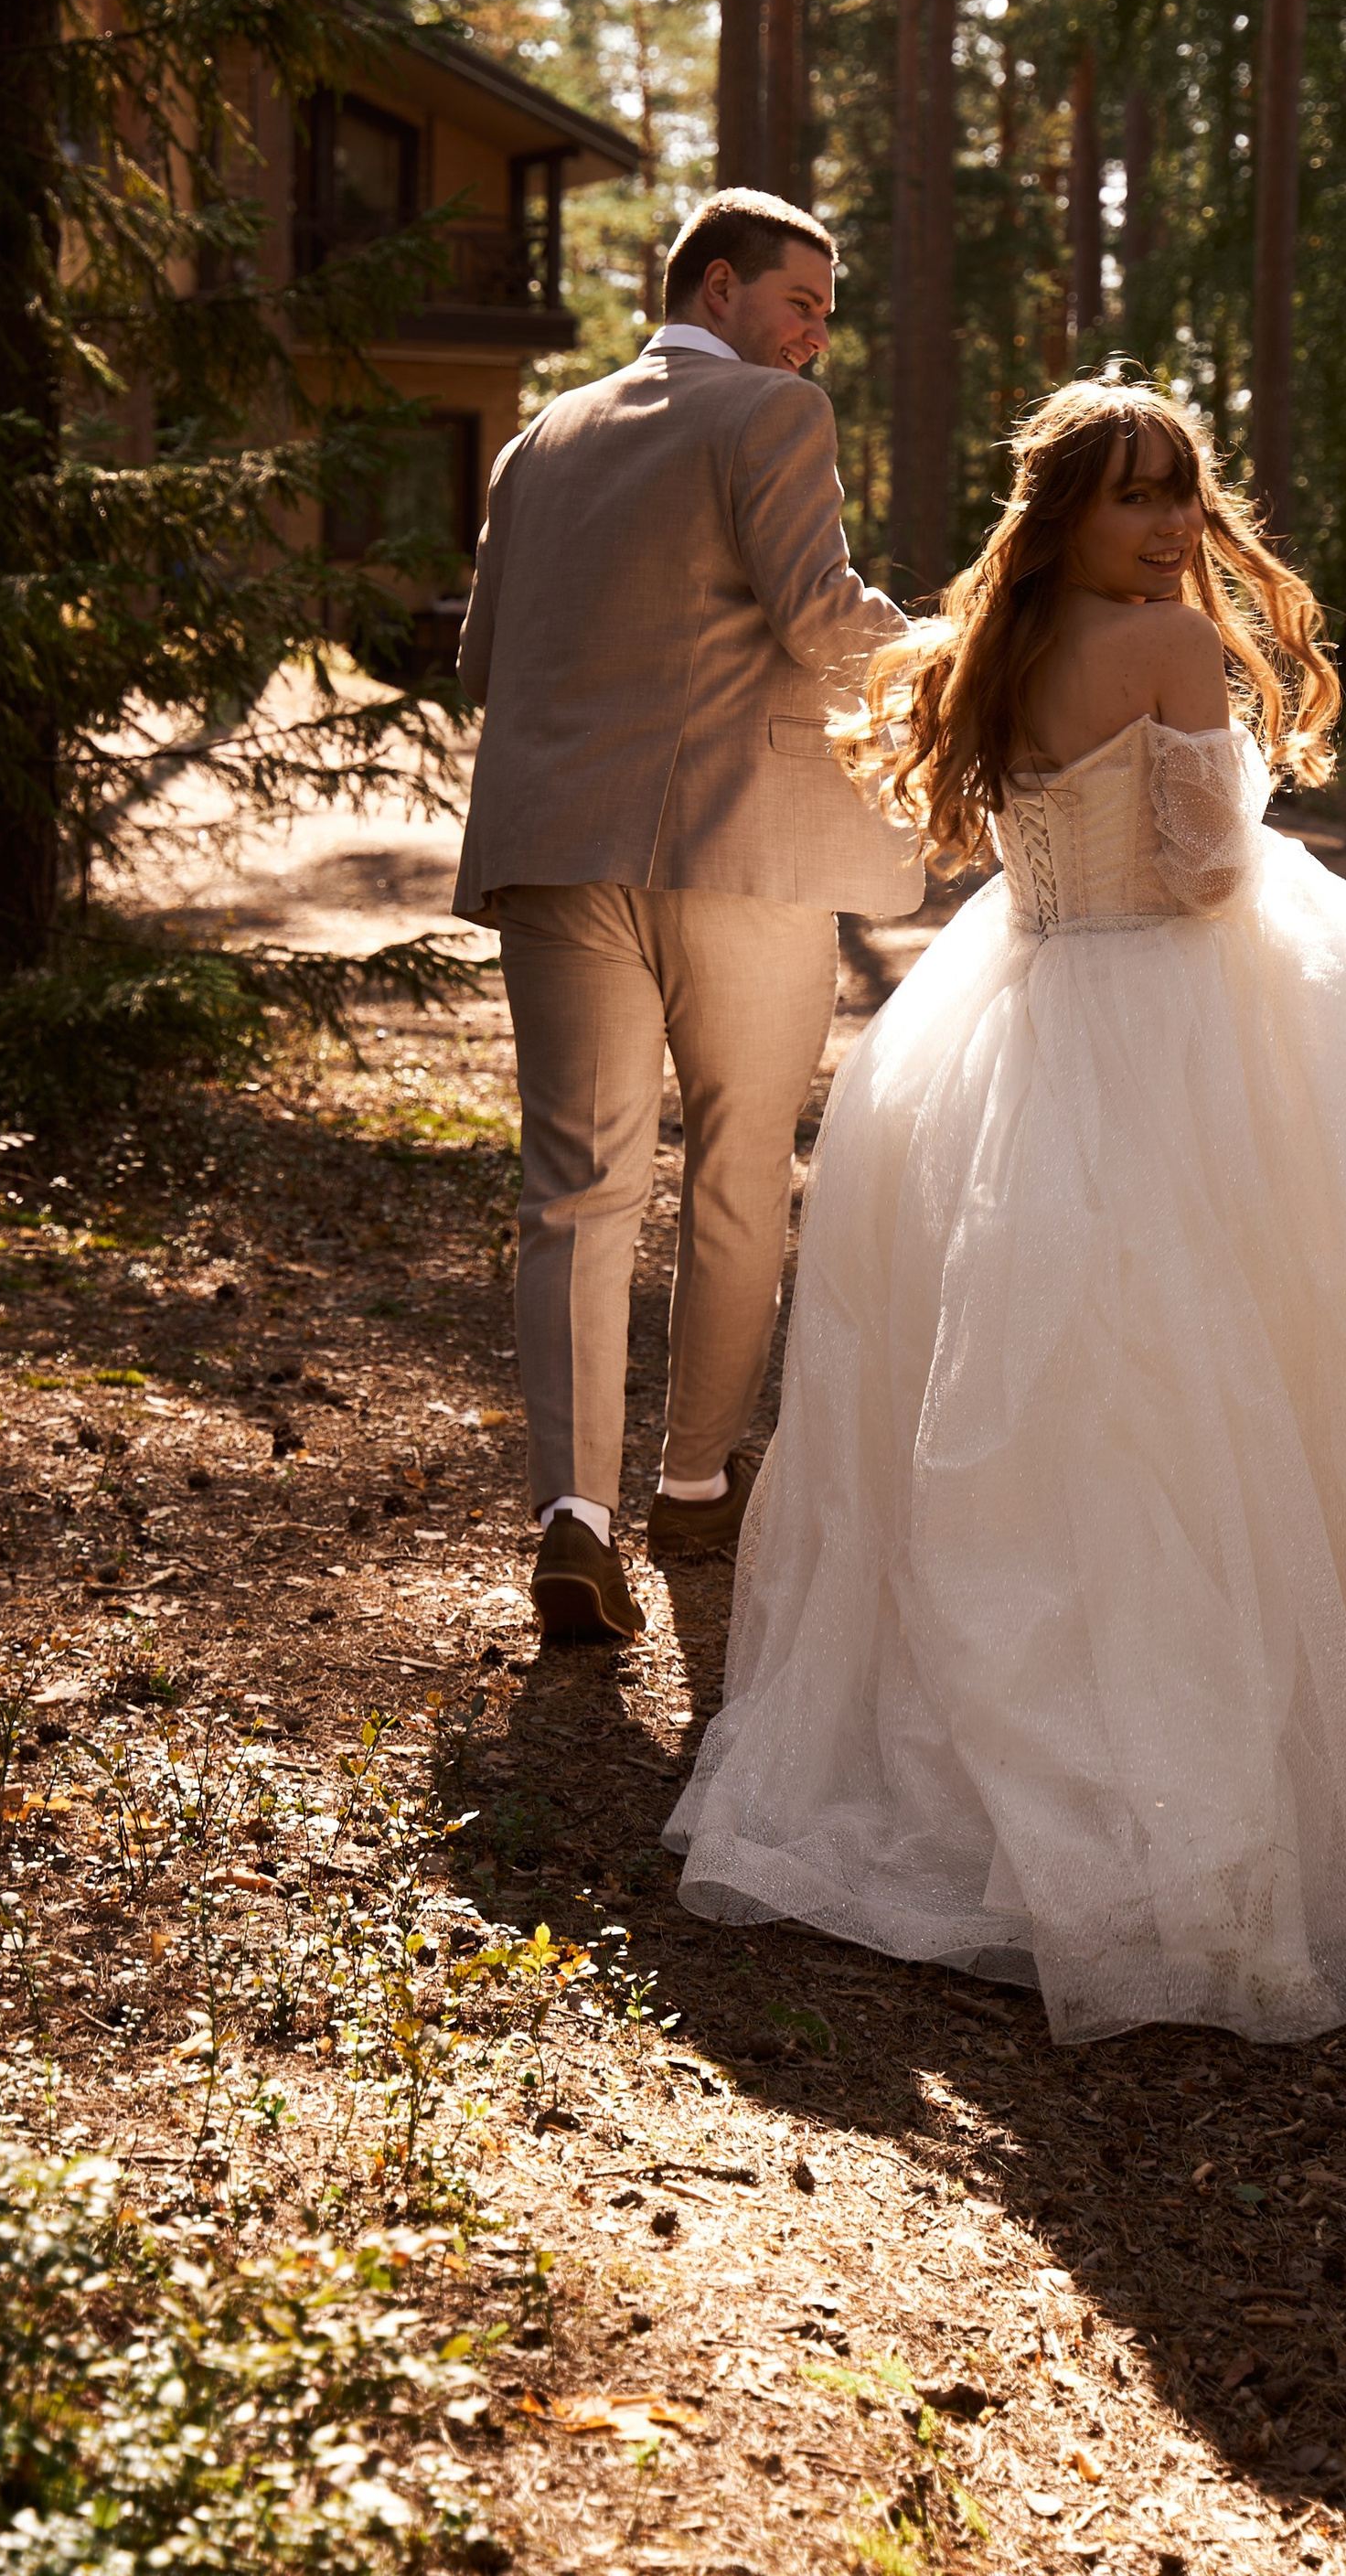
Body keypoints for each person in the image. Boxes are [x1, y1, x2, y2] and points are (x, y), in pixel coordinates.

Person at [667, 378, 1346, 2046]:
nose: (1171, 529)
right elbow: (1199, 874)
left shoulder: (991, 650)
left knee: (1076, 1405)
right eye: (1137, 499)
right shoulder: (1166, 647)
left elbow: (1044, 852)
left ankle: (1060, 1756)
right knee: (1251, 1372)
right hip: (1162, 1024)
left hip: (1018, 1016)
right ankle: (1227, 1784)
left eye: (1183, 494)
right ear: (1072, 516)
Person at [453, 188, 923, 1647]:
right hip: (745, 851)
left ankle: (571, 1518)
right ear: (717, 289)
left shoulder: (539, 443)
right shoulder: (772, 419)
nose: (816, 336)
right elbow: (819, 616)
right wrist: (963, 654)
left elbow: (481, 655)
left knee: (576, 1188)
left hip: (558, 853)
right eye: (804, 305)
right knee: (737, 1173)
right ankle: (696, 1484)